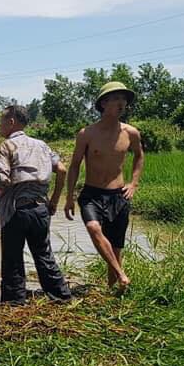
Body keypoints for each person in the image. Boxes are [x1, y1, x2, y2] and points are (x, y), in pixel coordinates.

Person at [0, 104, 71, 304]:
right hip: (40, 209)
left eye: (1, 121)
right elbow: (61, 170)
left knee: (12, 260)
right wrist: (53, 200)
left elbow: (2, 179)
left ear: (11, 122)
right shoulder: (42, 145)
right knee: (44, 255)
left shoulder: (7, 146)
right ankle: (62, 297)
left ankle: (14, 303)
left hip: (15, 210)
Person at [64, 81, 144, 293]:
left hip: (118, 195)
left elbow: (139, 156)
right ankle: (122, 275)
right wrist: (69, 197)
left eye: (123, 99)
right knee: (93, 228)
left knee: (115, 249)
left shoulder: (131, 133)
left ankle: (113, 291)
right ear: (103, 104)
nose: (121, 103)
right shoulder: (87, 134)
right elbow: (74, 165)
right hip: (92, 194)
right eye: (116, 99)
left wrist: (134, 183)